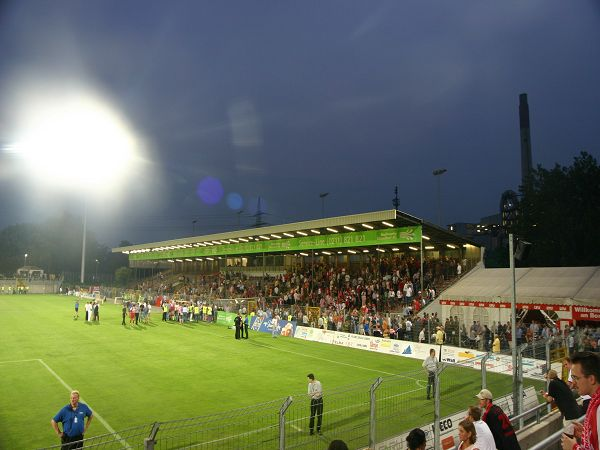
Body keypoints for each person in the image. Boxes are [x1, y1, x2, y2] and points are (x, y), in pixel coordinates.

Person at [561, 351, 600, 450]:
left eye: (576, 378)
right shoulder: (595, 400)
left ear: (591, 379)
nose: (573, 383)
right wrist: (587, 433)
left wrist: (574, 448)